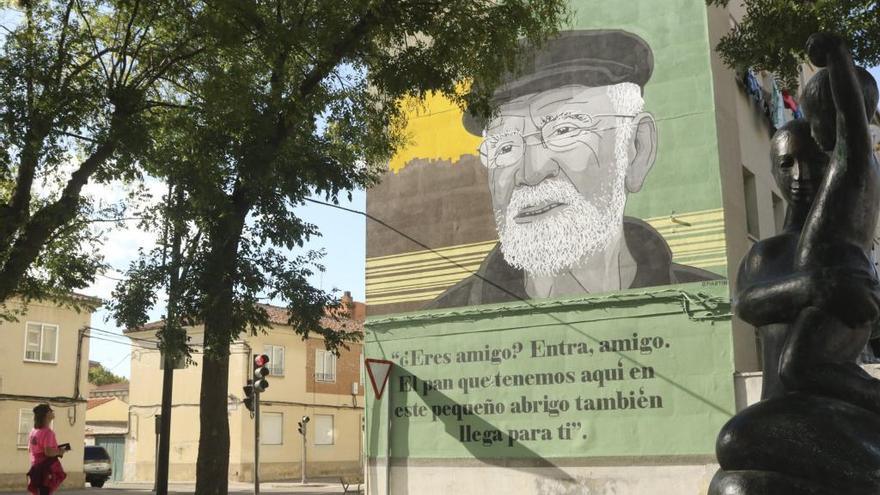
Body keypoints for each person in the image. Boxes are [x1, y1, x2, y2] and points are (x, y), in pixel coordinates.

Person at [425, 29, 720, 310]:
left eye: (564, 130)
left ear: (636, 150)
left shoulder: (719, 311)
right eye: (504, 148)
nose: (530, 173)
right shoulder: (437, 325)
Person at [26, 404, 67, 495]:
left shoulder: (33, 431)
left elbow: (30, 449)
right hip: (45, 469)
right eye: (50, 410)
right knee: (45, 492)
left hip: (35, 468)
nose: (52, 412)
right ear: (46, 414)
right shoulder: (48, 432)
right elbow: (48, 452)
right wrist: (60, 451)